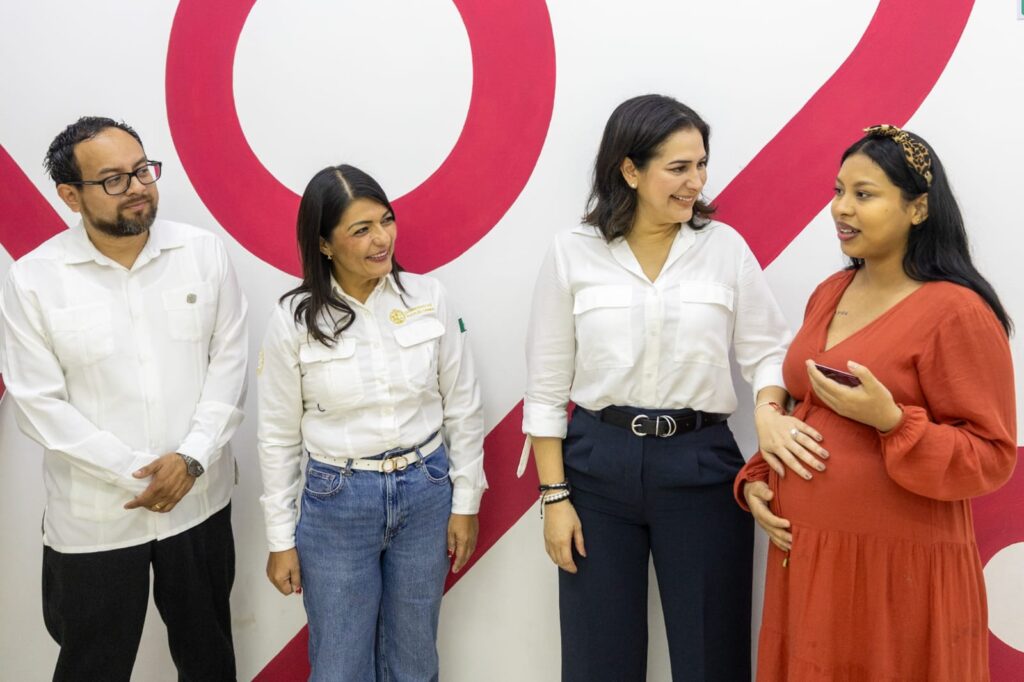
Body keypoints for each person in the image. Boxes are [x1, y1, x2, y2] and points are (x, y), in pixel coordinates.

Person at [520, 94, 825, 681]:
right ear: (630, 171)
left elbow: (768, 350)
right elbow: (546, 388)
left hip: (701, 464)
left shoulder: (724, 248)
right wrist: (555, 498)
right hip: (596, 469)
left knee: (712, 655)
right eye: (679, 167)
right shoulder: (573, 252)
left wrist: (768, 408)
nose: (697, 182)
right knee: (598, 659)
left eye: (702, 164)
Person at [736, 125, 1017, 680]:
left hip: (895, 576)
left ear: (918, 208)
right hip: (810, 559)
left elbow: (991, 456)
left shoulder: (957, 312)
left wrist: (892, 422)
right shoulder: (830, 292)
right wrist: (761, 477)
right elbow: (807, 408)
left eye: (864, 194)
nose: (841, 208)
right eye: (839, 191)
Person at [0, 116, 248, 681]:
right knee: (91, 666)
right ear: (70, 196)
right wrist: (137, 472)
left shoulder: (203, 253)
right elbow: (39, 405)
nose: (137, 187)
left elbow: (230, 367)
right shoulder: (35, 279)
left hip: (198, 503)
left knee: (209, 659)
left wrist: (190, 459)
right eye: (113, 179)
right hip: (96, 520)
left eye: (142, 171)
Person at [257, 164, 486, 681]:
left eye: (386, 220)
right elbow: (276, 438)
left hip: (427, 492)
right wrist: (279, 539)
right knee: (339, 665)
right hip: (337, 501)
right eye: (361, 230)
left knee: (415, 660)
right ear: (324, 244)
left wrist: (466, 502)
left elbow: (464, 406)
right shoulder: (294, 319)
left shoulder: (429, 298)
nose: (382, 239)